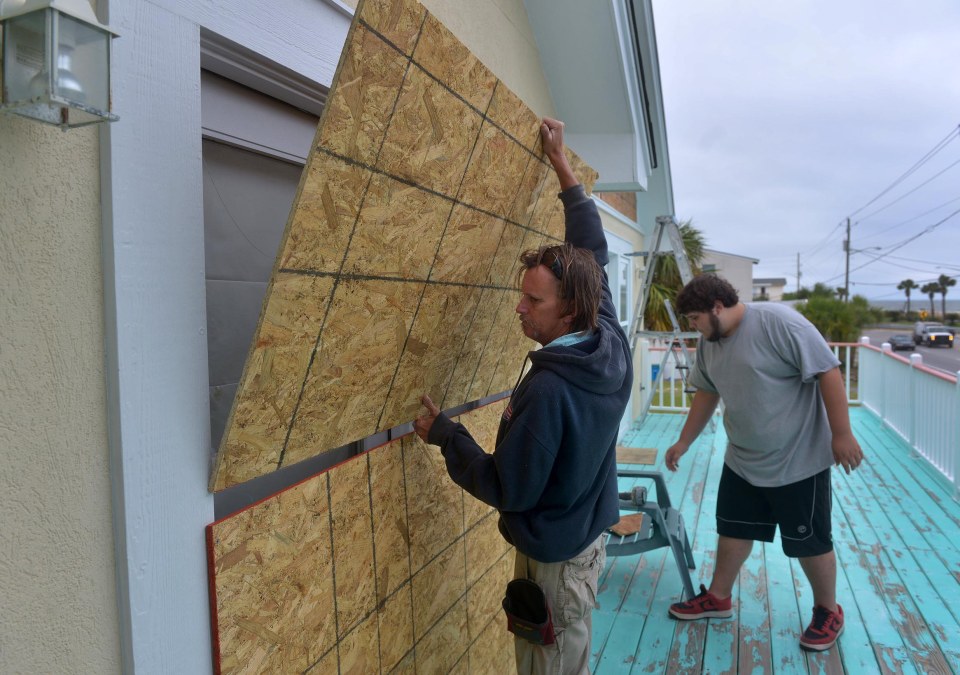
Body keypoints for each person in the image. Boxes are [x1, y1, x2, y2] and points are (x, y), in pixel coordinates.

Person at [414, 117, 632, 675]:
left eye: (533, 301)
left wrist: (447, 436)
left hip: (555, 565)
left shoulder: (551, 393)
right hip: (583, 536)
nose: (519, 308)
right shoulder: (608, 339)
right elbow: (593, 249)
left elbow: (508, 487)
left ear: (570, 309)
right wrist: (562, 167)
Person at [663, 273, 864, 652]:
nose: (693, 327)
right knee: (734, 529)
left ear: (717, 307)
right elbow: (706, 391)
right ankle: (719, 598)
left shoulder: (780, 323)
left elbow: (828, 370)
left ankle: (827, 610)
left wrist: (841, 434)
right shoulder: (712, 341)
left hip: (798, 458)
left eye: (694, 318)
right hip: (743, 457)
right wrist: (684, 441)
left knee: (810, 541)